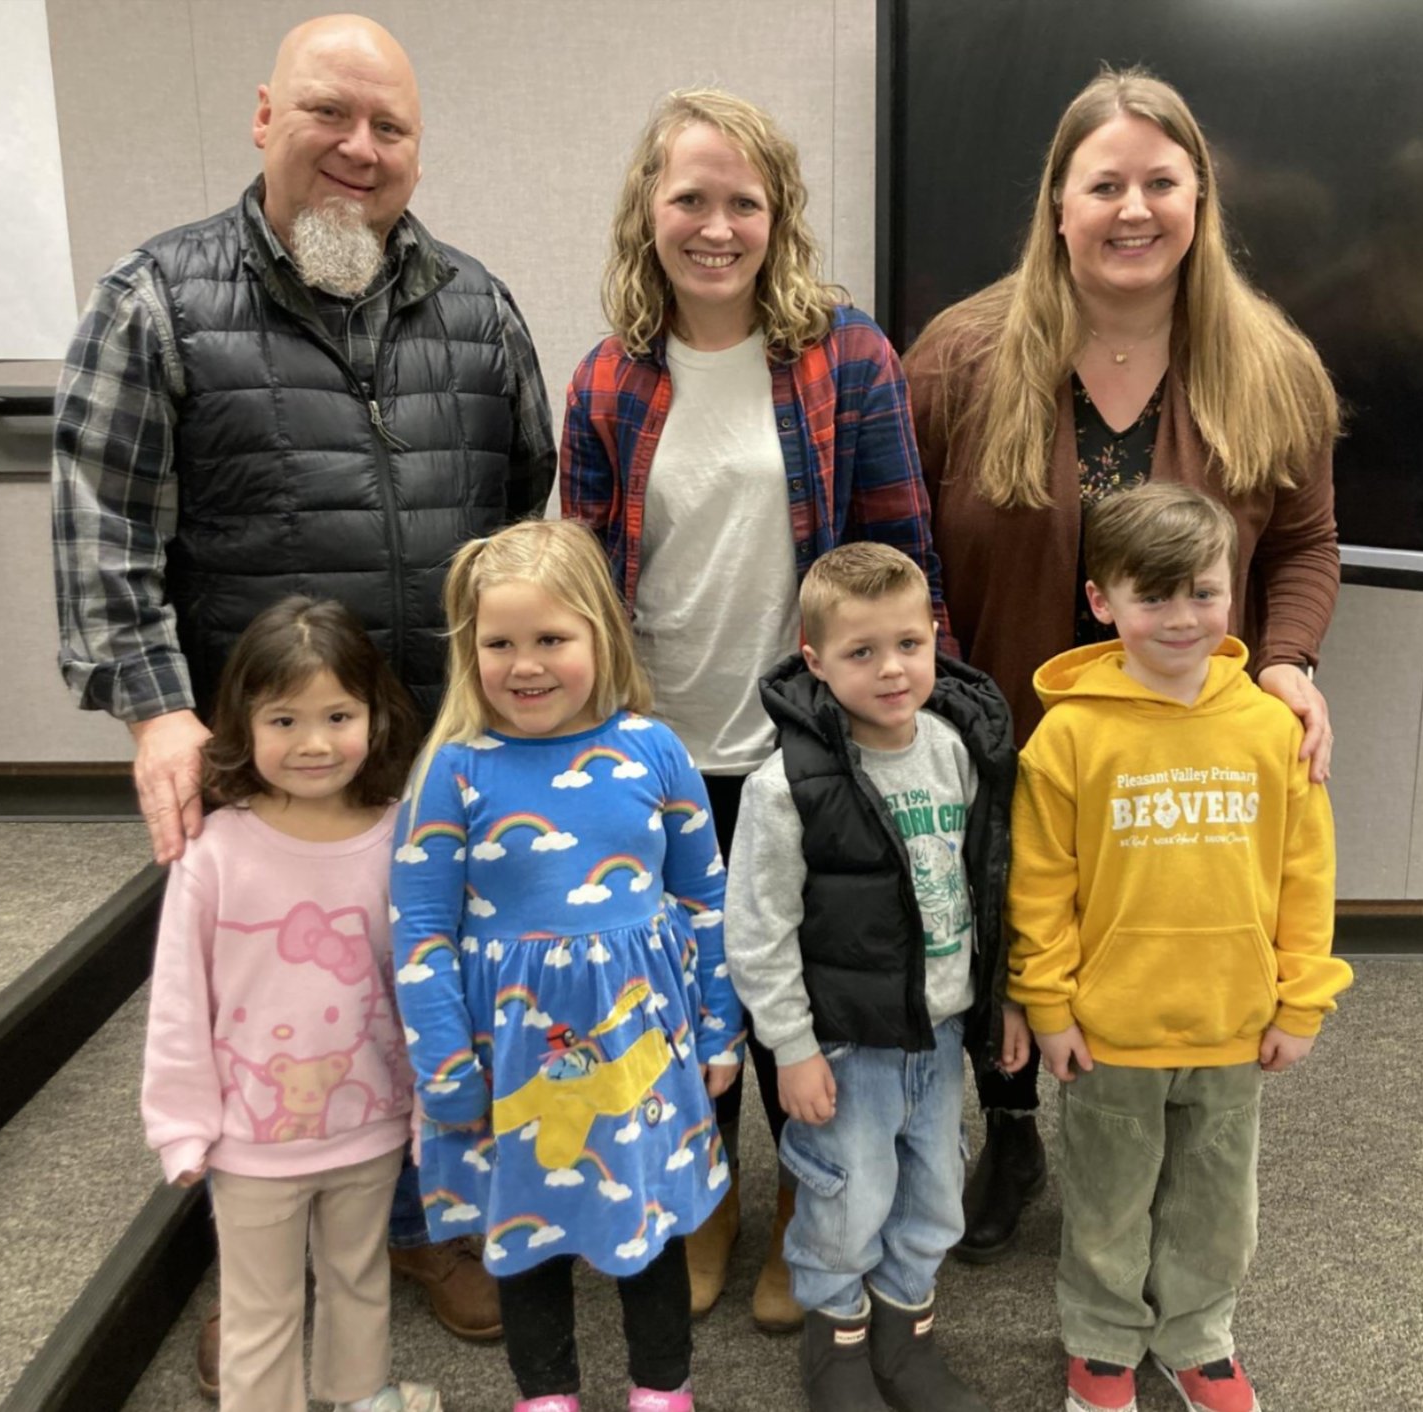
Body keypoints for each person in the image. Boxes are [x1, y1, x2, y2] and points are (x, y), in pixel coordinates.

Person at [52, 13, 554, 1376]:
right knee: (281, 1023)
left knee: (425, 998)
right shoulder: (158, 298)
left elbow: (519, 502)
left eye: (390, 128)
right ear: (265, 117)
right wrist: (160, 708)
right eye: (331, 115)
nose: (360, 148)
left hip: (435, 755)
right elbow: (101, 528)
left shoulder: (480, 306)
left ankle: (422, 1223)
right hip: (267, 769)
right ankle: (260, 1260)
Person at [901, 66, 1342, 1263]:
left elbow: (1303, 545)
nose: (1132, 207)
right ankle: (1014, 1138)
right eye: (1104, 183)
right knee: (1010, 931)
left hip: (1186, 743)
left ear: (1201, 198)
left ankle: (1145, 1150)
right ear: (1058, 203)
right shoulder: (958, 356)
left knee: (1155, 942)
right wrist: (928, 685)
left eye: (1161, 181)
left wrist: (1291, 660)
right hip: (1007, 727)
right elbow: (897, 540)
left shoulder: (1273, 367)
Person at [561, 87, 950, 1329]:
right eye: (690, 198)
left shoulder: (846, 355)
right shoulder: (611, 378)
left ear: (776, 214)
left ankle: (806, 1207)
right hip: (657, 750)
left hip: (804, 741)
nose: (715, 225)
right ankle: (706, 1198)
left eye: (743, 200)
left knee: (807, 984)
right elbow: (579, 572)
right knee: (681, 994)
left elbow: (899, 546)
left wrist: (902, 719)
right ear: (649, 210)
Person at [1005, 484, 1352, 1412]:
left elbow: (1304, 880)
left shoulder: (1273, 732)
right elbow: (1040, 890)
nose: (1180, 617)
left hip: (1232, 1025)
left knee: (1213, 1208)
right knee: (1107, 1205)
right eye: (1150, 596)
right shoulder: (1069, 736)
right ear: (1100, 602)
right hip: (1111, 1029)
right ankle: (1101, 1343)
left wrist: (1300, 1000)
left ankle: (1197, 1338)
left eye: (1201, 592)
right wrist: (1048, 1006)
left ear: (1233, 590)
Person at [391, 520, 744, 1412]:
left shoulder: (653, 751)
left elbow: (706, 899)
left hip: (644, 1048)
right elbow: (420, 929)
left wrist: (717, 1024)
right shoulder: (452, 770)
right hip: (505, 1057)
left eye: (551, 639)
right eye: (498, 643)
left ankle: (662, 1389)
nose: (524, 664)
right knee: (525, 1229)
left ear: (600, 636)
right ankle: (545, 1394)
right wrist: (442, 1064)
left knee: (651, 1223)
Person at [723, 543, 1022, 1412]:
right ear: (815, 660)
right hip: (847, 1041)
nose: (891, 669)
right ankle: (838, 1346)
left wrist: (1001, 999)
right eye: (861, 653)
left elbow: (992, 885)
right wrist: (789, 1047)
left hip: (936, 1030)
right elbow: (758, 930)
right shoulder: (786, 787)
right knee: (846, 1200)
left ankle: (904, 1337)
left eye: (908, 644)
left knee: (932, 1196)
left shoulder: (961, 747)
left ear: (934, 636)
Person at [141, 597, 439, 1412]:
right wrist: (181, 1122)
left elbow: (420, 986)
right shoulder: (215, 851)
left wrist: (428, 1108)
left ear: (375, 718)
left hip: (371, 1125)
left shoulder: (400, 836)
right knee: (261, 1307)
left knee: (359, 1277)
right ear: (242, 721)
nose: (313, 743)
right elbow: (178, 997)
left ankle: (360, 1395)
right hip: (250, 1144)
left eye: (337, 715)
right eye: (284, 719)